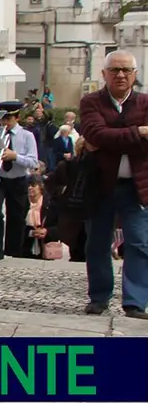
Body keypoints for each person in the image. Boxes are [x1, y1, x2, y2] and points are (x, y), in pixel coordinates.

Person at [78, 50, 148, 319]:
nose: (120, 75)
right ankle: (99, 297)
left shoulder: (144, 102)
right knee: (97, 242)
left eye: (126, 70)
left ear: (134, 75)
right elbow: (94, 133)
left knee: (140, 244)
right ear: (104, 74)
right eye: (115, 70)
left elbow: (103, 138)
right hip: (100, 184)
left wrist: (108, 139)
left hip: (137, 186)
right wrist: (139, 132)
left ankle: (135, 302)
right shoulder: (91, 102)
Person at [0, 104, 39, 258]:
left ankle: (14, 251)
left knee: (17, 215)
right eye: (3, 119)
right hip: (0, 178)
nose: (5, 123)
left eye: (8, 119)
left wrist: (15, 156)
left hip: (18, 178)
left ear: (17, 118)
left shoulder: (26, 135)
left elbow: (34, 162)